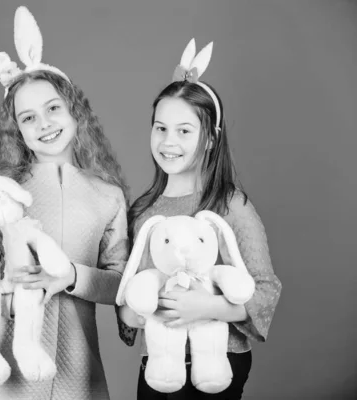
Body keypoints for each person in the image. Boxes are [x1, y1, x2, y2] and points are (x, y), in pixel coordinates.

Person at [0, 7, 129, 400]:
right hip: (8, 378)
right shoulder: (0, 190)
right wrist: (3, 296)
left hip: (78, 372)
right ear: (17, 131)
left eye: (53, 108)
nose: (44, 124)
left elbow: (121, 282)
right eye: (28, 118)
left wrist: (71, 277)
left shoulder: (108, 196)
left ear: (76, 111)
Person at [117, 39, 282, 399]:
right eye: (160, 128)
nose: (168, 141)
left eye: (184, 130)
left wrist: (206, 306)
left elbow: (266, 290)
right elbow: (128, 303)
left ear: (210, 139)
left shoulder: (230, 206)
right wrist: (138, 308)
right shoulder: (143, 212)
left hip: (222, 360)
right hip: (161, 364)